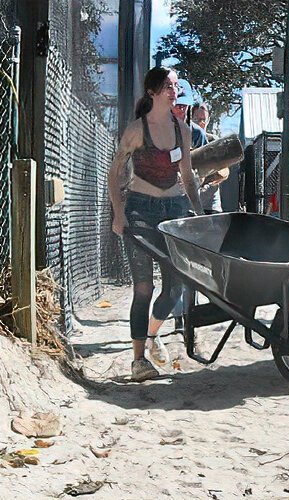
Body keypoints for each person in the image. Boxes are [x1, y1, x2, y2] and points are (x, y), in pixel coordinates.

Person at [106, 66, 205, 381]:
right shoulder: (137, 129)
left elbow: (187, 175)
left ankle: (151, 335)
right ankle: (138, 362)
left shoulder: (183, 130)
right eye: (168, 85)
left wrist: (200, 213)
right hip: (140, 211)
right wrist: (119, 213)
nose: (174, 90)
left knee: (175, 286)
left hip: (175, 209)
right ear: (152, 91)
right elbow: (115, 173)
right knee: (143, 288)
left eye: (176, 84)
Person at [185, 102, 225, 213]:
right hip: (191, 204)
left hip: (212, 203)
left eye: (204, 119)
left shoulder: (214, 140)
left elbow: (224, 171)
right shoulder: (186, 139)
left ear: (208, 120)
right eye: (197, 119)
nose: (201, 123)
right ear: (191, 119)